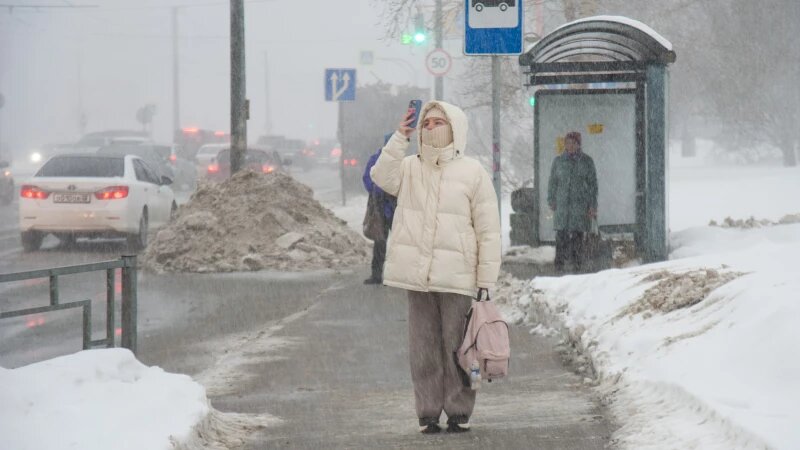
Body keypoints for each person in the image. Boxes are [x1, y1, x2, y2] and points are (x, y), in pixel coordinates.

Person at [370, 101, 501, 434]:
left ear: (454, 127)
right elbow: (380, 177)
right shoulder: (410, 167)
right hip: (418, 277)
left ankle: (458, 410)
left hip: (457, 278)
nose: (430, 129)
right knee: (423, 350)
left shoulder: (472, 172)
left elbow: (488, 230)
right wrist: (400, 136)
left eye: (437, 123)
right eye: (425, 124)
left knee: (458, 349)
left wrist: (485, 279)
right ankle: (427, 412)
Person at [547, 131, 598, 272]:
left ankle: (577, 266)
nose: (570, 146)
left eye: (573, 143)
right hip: (562, 205)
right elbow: (552, 182)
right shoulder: (558, 161)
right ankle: (559, 266)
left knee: (577, 236)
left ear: (578, 144)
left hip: (580, 206)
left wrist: (592, 205)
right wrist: (551, 199)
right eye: (568, 143)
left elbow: (593, 185)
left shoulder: (587, 161)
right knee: (561, 236)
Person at [362, 133, 397, 285]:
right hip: (381, 208)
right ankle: (377, 275)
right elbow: (367, 178)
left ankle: (397, 275)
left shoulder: (401, 162)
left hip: (396, 207)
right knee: (380, 242)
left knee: (399, 243)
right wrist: (377, 190)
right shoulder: (376, 159)